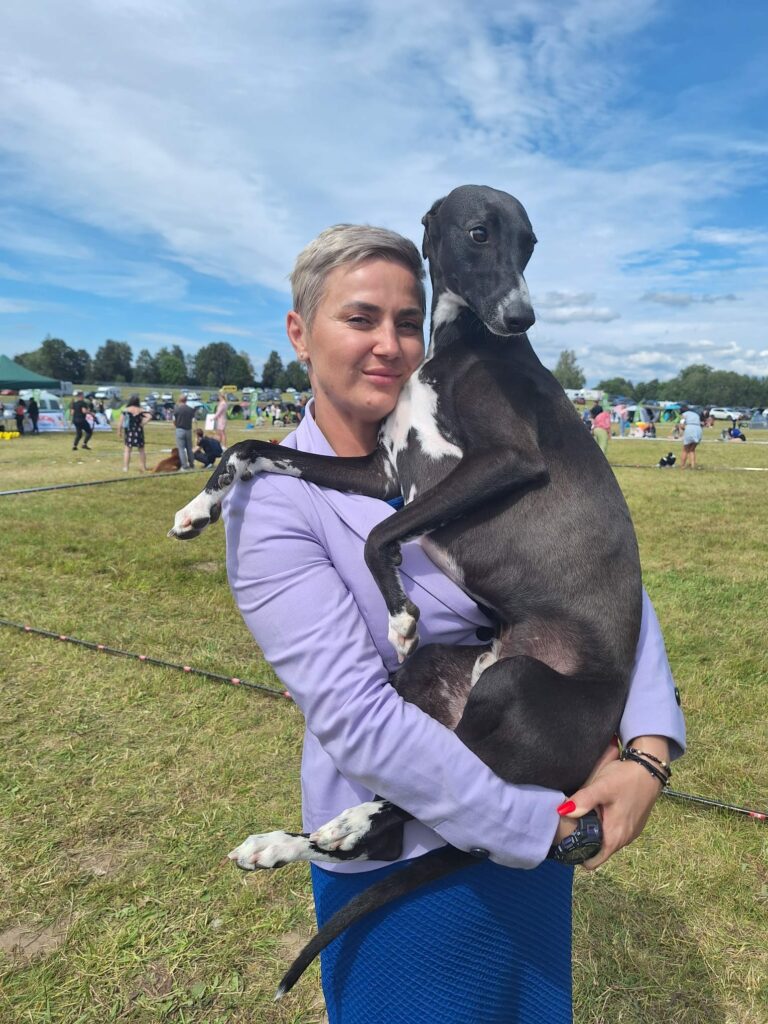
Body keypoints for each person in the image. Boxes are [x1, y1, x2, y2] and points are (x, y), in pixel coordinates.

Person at [223, 225, 685, 1023]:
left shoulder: (462, 438)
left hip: (531, 814)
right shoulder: (274, 506)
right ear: (299, 333)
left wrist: (648, 751)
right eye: (361, 319)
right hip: (412, 850)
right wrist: (537, 828)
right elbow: (359, 719)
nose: (390, 346)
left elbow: (599, 578)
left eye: (408, 321)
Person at [118, 395, 152, 471]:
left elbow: (120, 422)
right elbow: (149, 416)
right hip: (139, 431)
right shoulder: (141, 410)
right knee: (141, 450)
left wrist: (119, 431)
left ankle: (126, 467)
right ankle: (143, 467)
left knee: (127, 450)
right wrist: (143, 423)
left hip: (129, 431)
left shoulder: (125, 410)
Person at [172, 394, 196, 470]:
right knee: (189, 448)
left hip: (179, 429)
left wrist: (176, 425)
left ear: (179, 400)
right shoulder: (190, 409)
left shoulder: (177, 409)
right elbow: (193, 419)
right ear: (186, 400)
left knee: (181, 449)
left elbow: (174, 420)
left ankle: (184, 466)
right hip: (188, 430)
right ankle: (192, 464)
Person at [679, 405, 702, 469]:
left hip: (690, 428)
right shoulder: (696, 414)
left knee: (685, 450)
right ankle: (693, 465)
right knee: (692, 450)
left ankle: (682, 466)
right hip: (698, 430)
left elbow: (681, 425)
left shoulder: (684, 414)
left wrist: (684, 430)